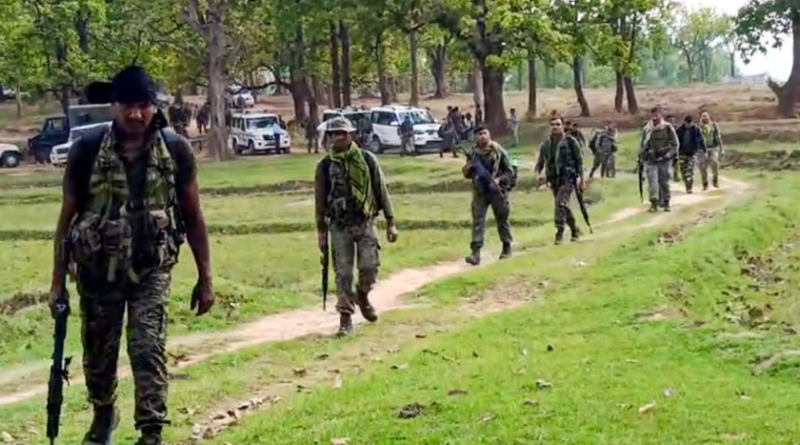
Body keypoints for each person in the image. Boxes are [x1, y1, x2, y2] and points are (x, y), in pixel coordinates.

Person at [48, 66, 214, 445]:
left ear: (154, 107)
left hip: (151, 268)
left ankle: (151, 430)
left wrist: (206, 278)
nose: (136, 114)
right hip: (96, 270)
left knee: (147, 347)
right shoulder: (87, 149)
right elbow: (66, 217)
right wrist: (57, 282)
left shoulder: (175, 149)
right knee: (98, 356)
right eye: (128, 106)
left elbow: (193, 215)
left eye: (144, 106)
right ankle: (104, 413)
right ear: (113, 106)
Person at [315, 117, 398, 336]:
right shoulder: (325, 166)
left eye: (342, 133)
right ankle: (345, 319)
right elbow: (320, 200)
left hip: (365, 221)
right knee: (343, 273)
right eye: (334, 134)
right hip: (339, 224)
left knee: (369, 267)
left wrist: (391, 222)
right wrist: (321, 232)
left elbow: (381, 190)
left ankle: (362, 295)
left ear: (351, 135)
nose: (338, 137)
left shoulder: (367, 159)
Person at [463, 126, 514, 265]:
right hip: (480, 191)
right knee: (478, 221)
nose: (483, 136)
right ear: (475, 137)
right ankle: (475, 253)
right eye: (479, 134)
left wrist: (498, 180)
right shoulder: (473, 153)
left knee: (502, 219)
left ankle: (506, 246)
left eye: (485, 133)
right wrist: (468, 168)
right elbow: (467, 174)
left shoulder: (498, 151)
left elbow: (510, 172)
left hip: (497, 191)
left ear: (489, 134)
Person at [535, 116, 585, 245]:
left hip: (568, 178)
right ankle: (575, 230)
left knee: (560, 204)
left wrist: (582, 180)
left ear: (563, 126)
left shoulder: (570, 141)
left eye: (557, 124)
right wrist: (538, 174)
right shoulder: (546, 144)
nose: (555, 127)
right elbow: (540, 162)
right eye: (552, 124)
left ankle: (560, 232)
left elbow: (579, 162)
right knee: (563, 206)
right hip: (554, 179)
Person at [640, 106, 679, 213]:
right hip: (651, 160)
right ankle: (654, 203)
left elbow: (675, 145)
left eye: (656, 115)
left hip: (664, 160)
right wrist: (643, 157)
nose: (654, 117)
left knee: (664, 182)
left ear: (660, 115)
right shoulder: (647, 129)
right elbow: (642, 146)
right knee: (652, 182)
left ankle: (666, 203)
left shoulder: (667, 127)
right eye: (653, 115)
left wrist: (667, 155)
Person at [675, 115, 706, 194]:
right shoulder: (679, 131)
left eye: (690, 123)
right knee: (683, 171)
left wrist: (704, 150)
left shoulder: (696, 130)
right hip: (682, 153)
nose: (688, 125)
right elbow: (675, 142)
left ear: (692, 123)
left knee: (690, 170)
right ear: (684, 122)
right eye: (687, 123)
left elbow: (701, 140)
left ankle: (689, 187)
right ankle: (687, 184)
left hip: (692, 153)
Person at [698, 111, 724, 190]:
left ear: (709, 117)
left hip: (713, 147)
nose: (705, 117)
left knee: (715, 163)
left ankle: (715, 180)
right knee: (702, 166)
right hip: (702, 149)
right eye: (703, 116)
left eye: (706, 116)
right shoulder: (698, 127)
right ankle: (705, 183)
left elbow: (718, 137)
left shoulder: (714, 125)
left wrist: (722, 148)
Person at [665, 114, 681, 182]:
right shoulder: (663, 128)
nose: (671, 122)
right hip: (666, 147)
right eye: (670, 120)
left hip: (674, 147)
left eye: (672, 120)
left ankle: (676, 175)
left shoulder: (676, 128)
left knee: (676, 161)